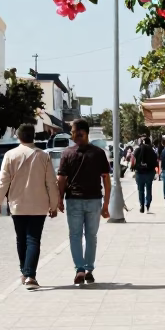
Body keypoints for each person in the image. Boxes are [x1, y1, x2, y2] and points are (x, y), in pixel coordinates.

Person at [0, 122, 59, 290]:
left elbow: (3, 181)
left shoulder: (10, 155)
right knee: (33, 239)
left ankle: (26, 272)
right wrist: (53, 204)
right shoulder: (43, 156)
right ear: (33, 137)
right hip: (39, 206)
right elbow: (51, 182)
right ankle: (29, 274)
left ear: (19, 136)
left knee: (21, 239)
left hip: (17, 205)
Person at [57, 119, 111, 286]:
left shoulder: (71, 153)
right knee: (88, 236)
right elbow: (61, 179)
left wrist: (106, 204)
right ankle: (85, 270)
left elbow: (106, 180)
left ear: (86, 133)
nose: (75, 136)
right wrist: (59, 199)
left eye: (78, 133)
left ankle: (83, 268)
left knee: (80, 236)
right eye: (73, 133)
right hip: (85, 200)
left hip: (84, 200)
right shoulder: (96, 153)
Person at [131, 132, 158, 213]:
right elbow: (155, 161)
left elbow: (133, 160)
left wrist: (133, 167)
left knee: (140, 189)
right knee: (149, 188)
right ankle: (148, 204)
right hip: (149, 172)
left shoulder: (137, 150)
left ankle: (142, 205)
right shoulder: (152, 151)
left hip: (139, 172)